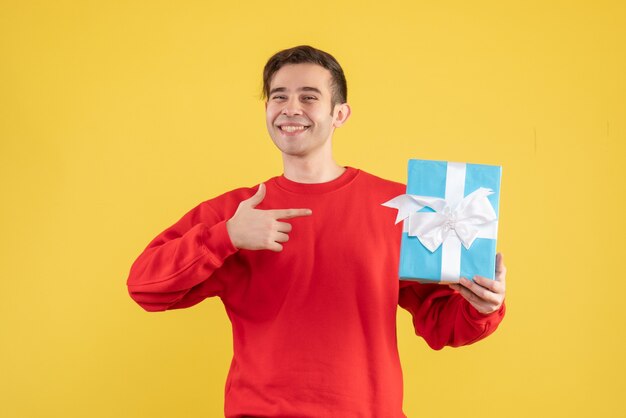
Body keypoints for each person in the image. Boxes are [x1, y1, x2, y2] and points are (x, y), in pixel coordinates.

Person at [126, 45, 506, 418]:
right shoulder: (239, 214)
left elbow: (442, 323)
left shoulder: (400, 207)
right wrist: (225, 237)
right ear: (267, 110)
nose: (291, 108)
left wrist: (482, 307)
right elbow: (145, 285)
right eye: (279, 97)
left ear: (340, 113)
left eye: (309, 97)